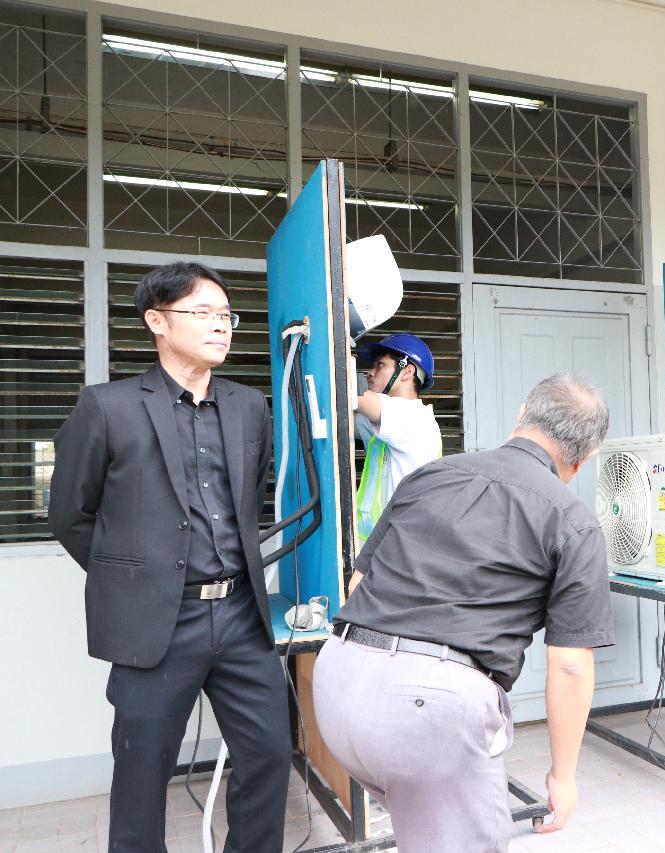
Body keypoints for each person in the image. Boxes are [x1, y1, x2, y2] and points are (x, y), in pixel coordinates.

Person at [312, 374, 613, 852]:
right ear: (584, 458)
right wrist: (563, 777)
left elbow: (358, 584)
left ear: (521, 416)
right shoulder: (573, 521)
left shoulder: (431, 475)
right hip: (426, 711)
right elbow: (571, 664)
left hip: (336, 682)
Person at [49, 262, 289, 851]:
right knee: (142, 771)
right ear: (157, 321)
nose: (221, 325)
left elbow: (248, 498)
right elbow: (70, 513)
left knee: (269, 754)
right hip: (157, 621)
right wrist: (137, 580)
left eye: (226, 315)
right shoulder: (108, 406)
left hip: (241, 614)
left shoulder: (249, 406)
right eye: (203, 312)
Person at [353, 333, 444, 543]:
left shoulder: (413, 417)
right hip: (384, 544)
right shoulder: (388, 421)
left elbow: (352, 394)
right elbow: (343, 422)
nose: (370, 372)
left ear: (407, 371)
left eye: (380, 365)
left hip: (400, 544)